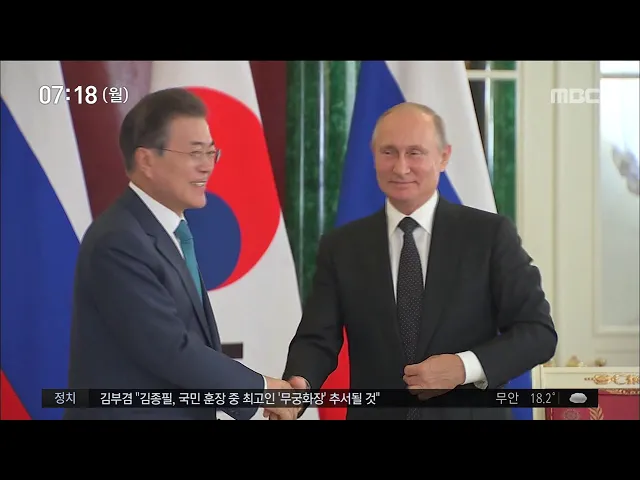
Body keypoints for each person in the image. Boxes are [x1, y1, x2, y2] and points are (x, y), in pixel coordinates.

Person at [274, 102, 558, 420]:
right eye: (388, 152)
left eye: (415, 153)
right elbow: (317, 339)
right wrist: (298, 388)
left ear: (444, 157)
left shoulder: (489, 236)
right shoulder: (341, 246)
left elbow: (538, 333)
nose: (401, 167)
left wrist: (463, 367)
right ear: (373, 156)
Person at [65, 87, 296, 420]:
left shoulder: (169, 232)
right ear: (147, 160)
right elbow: (169, 349)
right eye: (195, 153)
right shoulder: (118, 240)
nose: (207, 167)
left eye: (211, 152)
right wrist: (261, 390)